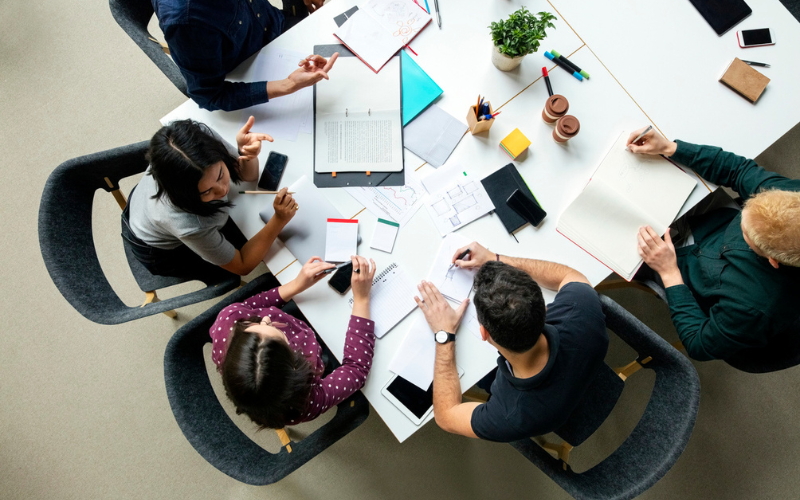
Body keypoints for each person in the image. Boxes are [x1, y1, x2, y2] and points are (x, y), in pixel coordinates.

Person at [628, 127, 800, 361]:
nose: (742, 213)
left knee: (616, 240)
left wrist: (669, 273)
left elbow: (699, 345)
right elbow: (739, 171)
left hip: (688, 272)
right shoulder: (791, 197)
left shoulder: (754, 310)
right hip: (716, 224)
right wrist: (670, 148)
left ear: (773, 260)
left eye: (745, 231)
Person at [413, 242, 608, 442]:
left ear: (484, 333)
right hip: (583, 366)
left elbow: (446, 416)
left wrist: (444, 334)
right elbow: (569, 275)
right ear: (543, 307)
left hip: (548, 412)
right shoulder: (582, 311)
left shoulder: (510, 414)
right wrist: (495, 259)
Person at [211, 256, 376, 428]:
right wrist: (362, 299)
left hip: (297, 323)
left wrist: (296, 285)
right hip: (315, 350)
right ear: (295, 365)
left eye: (256, 323)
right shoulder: (305, 402)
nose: (266, 317)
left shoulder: (229, 321)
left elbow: (250, 307)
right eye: (275, 332)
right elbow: (356, 369)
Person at [122, 117, 297, 277]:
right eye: (207, 191)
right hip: (157, 250)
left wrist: (248, 155)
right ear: (186, 194)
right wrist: (279, 220)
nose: (223, 191)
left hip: (143, 204)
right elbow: (243, 265)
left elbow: (247, 176)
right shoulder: (187, 224)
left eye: (220, 174)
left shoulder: (192, 143)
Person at [152, 0, 338, 111]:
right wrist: (287, 85)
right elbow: (209, 95)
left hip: (275, 24)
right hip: (246, 70)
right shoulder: (185, 21)